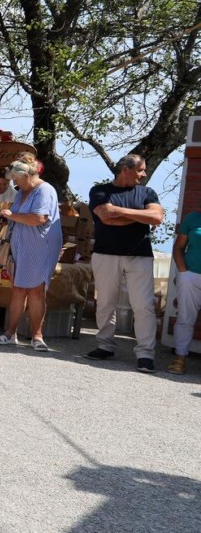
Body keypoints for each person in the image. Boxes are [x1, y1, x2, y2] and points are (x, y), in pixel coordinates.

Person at [86, 153, 164, 372]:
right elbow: (105, 215)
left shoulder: (147, 192)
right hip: (105, 254)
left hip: (139, 255)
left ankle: (146, 354)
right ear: (126, 169)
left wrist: (120, 214)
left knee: (143, 306)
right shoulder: (100, 191)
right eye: (141, 170)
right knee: (105, 303)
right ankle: (104, 346)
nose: (144, 174)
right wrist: (142, 216)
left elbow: (157, 218)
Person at [0, 153, 63, 351]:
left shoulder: (44, 190)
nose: (15, 184)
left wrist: (12, 215)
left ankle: (37, 336)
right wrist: (8, 218)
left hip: (40, 247)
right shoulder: (23, 192)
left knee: (36, 292)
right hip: (21, 246)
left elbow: (39, 218)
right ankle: (10, 333)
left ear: (26, 175)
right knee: (18, 289)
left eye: (16, 180)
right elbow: (20, 217)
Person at [168, 205, 201, 375]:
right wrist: (183, 272)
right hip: (190, 276)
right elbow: (179, 247)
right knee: (185, 317)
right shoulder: (193, 217)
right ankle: (180, 358)